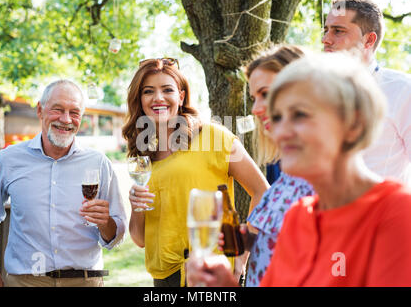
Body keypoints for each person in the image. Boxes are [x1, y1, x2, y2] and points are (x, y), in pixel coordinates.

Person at [187, 53, 411, 287]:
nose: (282, 132)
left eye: (300, 115)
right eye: (278, 117)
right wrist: (224, 286)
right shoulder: (298, 216)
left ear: (352, 123)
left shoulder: (395, 211)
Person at [122, 58, 269, 287]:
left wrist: (242, 256)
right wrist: (136, 206)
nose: (158, 98)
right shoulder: (144, 156)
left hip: (210, 274)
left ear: (180, 97)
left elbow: (262, 192)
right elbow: (140, 240)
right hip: (163, 280)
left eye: (167, 90)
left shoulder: (213, 137)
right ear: (140, 100)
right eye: (148, 91)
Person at [0, 79, 127, 287]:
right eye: (58, 109)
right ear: (40, 110)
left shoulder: (99, 163)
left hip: (84, 281)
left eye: (74, 112)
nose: (66, 119)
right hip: (25, 282)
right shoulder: (9, 159)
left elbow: (115, 235)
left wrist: (105, 222)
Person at [242, 45, 314, 286]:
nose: (255, 109)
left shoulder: (328, 181)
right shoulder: (288, 175)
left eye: (265, 93)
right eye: (254, 98)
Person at [322, 0, 411, 186]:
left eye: (338, 31)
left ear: (369, 40)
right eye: (326, 30)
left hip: (382, 212)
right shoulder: (314, 91)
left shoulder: (402, 90)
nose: (326, 40)